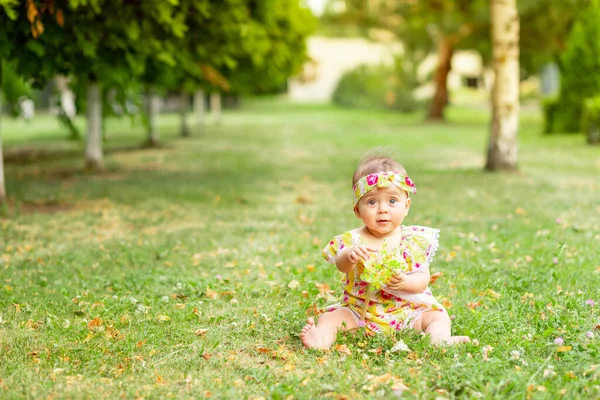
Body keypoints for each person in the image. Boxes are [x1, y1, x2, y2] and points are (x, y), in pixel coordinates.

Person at [300, 149, 470, 349]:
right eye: (372, 202)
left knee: (437, 315)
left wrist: (405, 282)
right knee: (332, 318)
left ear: (406, 206)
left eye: (392, 201)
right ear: (357, 209)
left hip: (406, 311)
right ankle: (320, 339)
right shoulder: (354, 240)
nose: (383, 209)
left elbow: (423, 279)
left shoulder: (412, 240)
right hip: (361, 310)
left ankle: (439, 339)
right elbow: (342, 266)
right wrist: (349, 255)